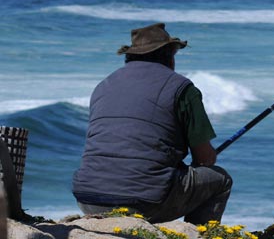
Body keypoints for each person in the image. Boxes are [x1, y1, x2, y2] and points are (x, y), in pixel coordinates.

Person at [73, 23, 232, 224]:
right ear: (169, 55)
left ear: (130, 56)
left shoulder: (103, 86)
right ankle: (198, 235)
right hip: (143, 202)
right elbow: (205, 158)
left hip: (88, 198)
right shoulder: (182, 88)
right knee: (220, 180)